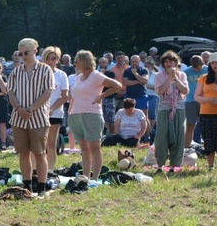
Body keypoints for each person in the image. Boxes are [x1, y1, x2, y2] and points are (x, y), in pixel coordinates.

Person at [7, 38, 54, 194]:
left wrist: (32, 108)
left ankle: (41, 187)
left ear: (35, 51)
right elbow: (11, 92)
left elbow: (48, 92)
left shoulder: (45, 70)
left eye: (26, 53)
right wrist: (19, 108)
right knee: (23, 152)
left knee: (40, 153)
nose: (23, 56)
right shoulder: (15, 72)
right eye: (21, 54)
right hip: (18, 118)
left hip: (38, 117)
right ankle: (27, 186)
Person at [68, 50, 122, 182]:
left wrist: (101, 96)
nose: (75, 62)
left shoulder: (96, 75)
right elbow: (75, 96)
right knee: (84, 149)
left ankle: (95, 178)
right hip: (76, 115)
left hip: (92, 114)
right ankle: (86, 177)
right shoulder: (79, 77)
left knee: (95, 148)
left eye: (77, 59)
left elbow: (117, 85)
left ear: (85, 61)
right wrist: (70, 113)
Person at [154, 50, 189, 169]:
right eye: (166, 61)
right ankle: (160, 164)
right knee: (161, 137)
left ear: (176, 63)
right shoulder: (159, 76)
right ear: (163, 64)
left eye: (172, 61)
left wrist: (175, 79)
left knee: (178, 137)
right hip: (164, 109)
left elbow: (184, 91)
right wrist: (169, 77)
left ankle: (174, 165)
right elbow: (160, 91)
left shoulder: (182, 75)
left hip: (179, 109)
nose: (169, 64)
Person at [194, 51, 217, 169]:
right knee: (209, 140)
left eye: (216, 62)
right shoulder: (203, 78)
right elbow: (197, 96)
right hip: (206, 113)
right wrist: (208, 100)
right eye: (212, 63)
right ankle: (210, 165)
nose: (214, 65)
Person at [42, 47, 70, 170]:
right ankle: (35, 170)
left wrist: (52, 109)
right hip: (39, 111)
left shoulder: (61, 75)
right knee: (38, 145)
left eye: (53, 58)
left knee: (51, 143)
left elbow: (65, 96)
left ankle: (50, 170)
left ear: (58, 60)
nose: (50, 60)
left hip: (55, 112)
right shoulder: (38, 73)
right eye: (48, 58)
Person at [122, 55, 149, 140]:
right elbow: (125, 82)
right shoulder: (126, 71)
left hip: (141, 96)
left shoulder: (144, 70)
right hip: (130, 96)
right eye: (133, 61)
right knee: (128, 115)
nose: (134, 63)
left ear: (139, 61)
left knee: (144, 117)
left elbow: (144, 81)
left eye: (136, 61)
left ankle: (147, 137)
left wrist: (135, 74)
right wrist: (138, 81)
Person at [183, 55, 207, 147]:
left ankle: (208, 147)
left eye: (198, 68)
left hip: (204, 101)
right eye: (194, 68)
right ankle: (187, 147)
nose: (196, 70)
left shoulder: (208, 70)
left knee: (206, 126)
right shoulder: (187, 71)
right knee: (190, 125)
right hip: (190, 100)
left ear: (203, 64)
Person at [145, 62, 160, 141]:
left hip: (153, 96)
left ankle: (152, 132)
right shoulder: (143, 74)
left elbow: (158, 87)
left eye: (149, 66)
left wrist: (148, 86)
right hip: (145, 95)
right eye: (146, 66)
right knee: (145, 115)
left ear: (152, 67)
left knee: (152, 115)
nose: (147, 68)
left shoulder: (156, 75)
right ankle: (147, 132)